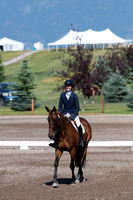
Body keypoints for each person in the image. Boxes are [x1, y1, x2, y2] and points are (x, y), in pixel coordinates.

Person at [50, 79, 84, 148]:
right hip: (64, 114)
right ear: (65, 87)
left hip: (73, 115)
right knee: (57, 124)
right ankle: (55, 141)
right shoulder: (62, 95)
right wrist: (62, 114)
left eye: (69, 86)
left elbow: (77, 108)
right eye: (67, 86)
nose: (68, 87)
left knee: (79, 124)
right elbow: (60, 107)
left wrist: (73, 115)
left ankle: (81, 141)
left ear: (71, 87)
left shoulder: (74, 96)